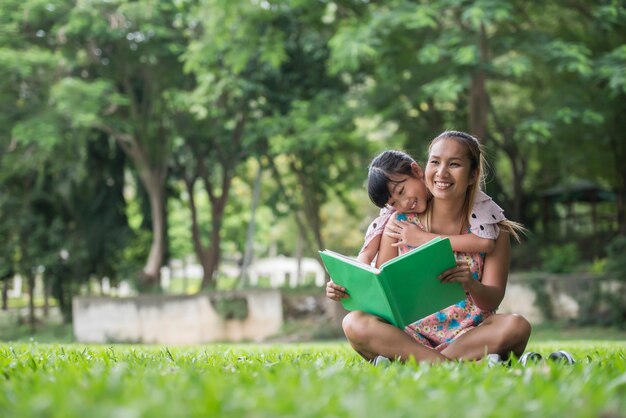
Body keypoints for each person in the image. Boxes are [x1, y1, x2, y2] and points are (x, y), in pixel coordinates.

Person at [327, 131, 531, 364]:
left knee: (516, 326)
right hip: (409, 335)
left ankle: (422, 362)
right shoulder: (400, 222)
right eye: (435, 162)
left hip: (469, 335)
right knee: (353, 322)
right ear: (424, 168)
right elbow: (382, 288)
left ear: (473, 174)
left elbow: (491, 301)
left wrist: (470, 283)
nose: (442, 173)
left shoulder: (491, 229)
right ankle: (448, 364)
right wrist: (347, 287)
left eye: (454, 164)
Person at [357, 149, 507, 266]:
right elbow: (368, 253)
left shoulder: (467, 200)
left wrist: (423, 238)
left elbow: (485, 242)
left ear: (416, 171)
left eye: (401, 191)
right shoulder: (397, 218)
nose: (403, 204)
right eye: (394, 203)